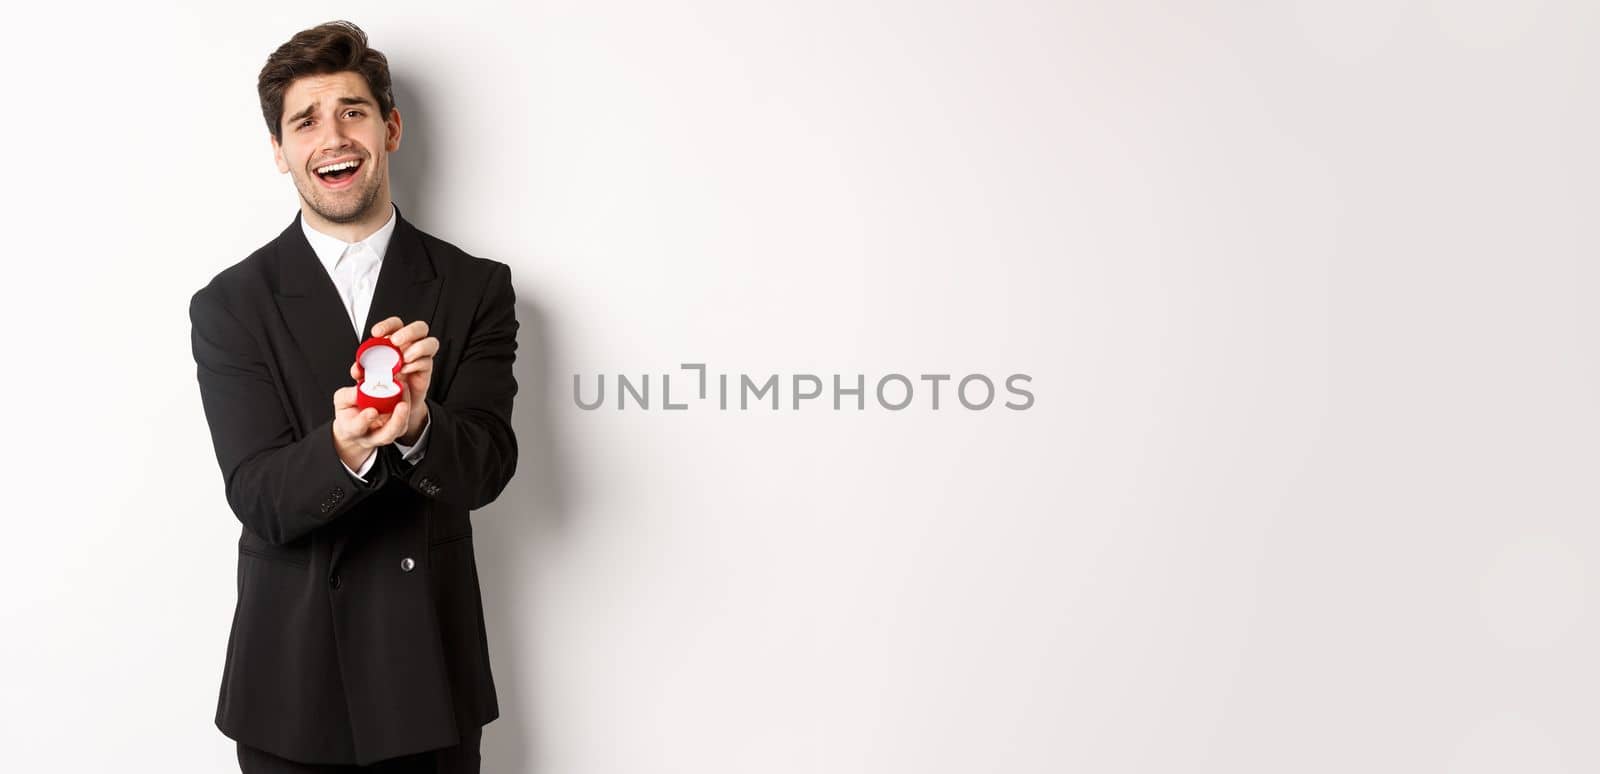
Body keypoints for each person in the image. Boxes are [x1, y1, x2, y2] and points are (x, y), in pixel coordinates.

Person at [188, 20, 518, 773]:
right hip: (292, 687)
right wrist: (345, 446)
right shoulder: (231, 305)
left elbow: (491, 469)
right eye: (305, 120)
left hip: (428, 677)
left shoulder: (475, 288)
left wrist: (419, 429)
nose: (332, 136)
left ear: (390, 128)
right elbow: (259, 496)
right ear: (279, 151)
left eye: (353, 111)